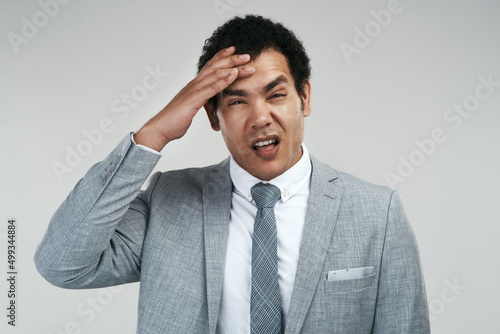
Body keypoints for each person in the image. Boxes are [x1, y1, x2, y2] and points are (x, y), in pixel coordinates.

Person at [35, 15, 430, 334]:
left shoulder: (378, 212)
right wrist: (151, 135)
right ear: (212, 115)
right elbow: (61, 263)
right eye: (237, 101)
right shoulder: (168, 200)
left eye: (276, 95)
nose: (260, 118)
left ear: (304, 97)